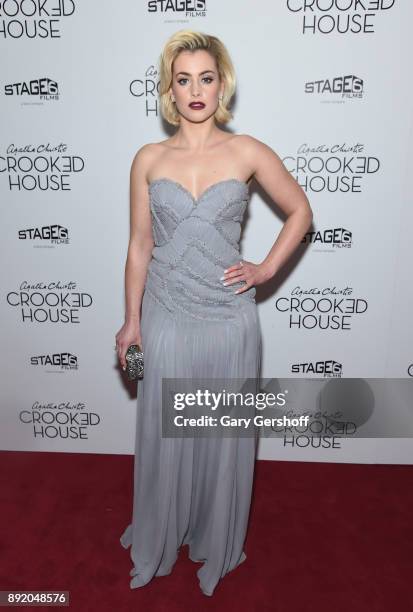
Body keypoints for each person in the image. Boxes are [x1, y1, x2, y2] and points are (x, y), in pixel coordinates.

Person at [116, 29, 312, 597]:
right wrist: (132, 321)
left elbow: (300, 211)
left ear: (220, 84)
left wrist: (266, 269)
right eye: (184, 79)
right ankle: (164, 527)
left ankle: (212, 534)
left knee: (222, 430)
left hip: (228, 317)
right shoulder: (148, 159)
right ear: (169, 90)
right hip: (167, 313)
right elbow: (138, 246)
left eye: (206, 77)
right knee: (167, 431)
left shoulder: (246, 150)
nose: (196, 89)